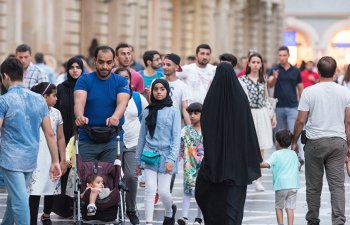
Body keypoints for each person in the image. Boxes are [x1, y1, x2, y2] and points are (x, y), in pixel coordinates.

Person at [195, 63, 262, 225]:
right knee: (233, 206)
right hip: (237, 166)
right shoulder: (240, 99)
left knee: (212, 200)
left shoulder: (211, 99)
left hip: (215, 164)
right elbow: (249, 130)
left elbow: (206, 128)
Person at [0, 57, 61, 225]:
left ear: (5, 76)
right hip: (30, 158)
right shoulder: (38, 100)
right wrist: (55, 161)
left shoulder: (4, 101)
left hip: (10, 159)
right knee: (16, 199)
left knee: (19, 202)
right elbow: (50, 133)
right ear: (23, 74)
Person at [292, 56, 350, 225]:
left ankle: (313, 220)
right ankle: (339, 221)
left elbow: (300, 121)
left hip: (315, 143)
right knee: (337, 186)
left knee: (313, 187)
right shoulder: (345, 92)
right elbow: (348, 121)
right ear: (335, 71)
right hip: (338, 142)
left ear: (318, 71)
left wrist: (294, 141)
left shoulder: (309, 92)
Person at [135, 79, 181, 225]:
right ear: (152, 92)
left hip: (167, 156)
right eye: (156, 89)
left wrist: (172, 160)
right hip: (149, 155)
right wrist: (138, 162)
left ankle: (169, 211)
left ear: (167, 91)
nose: (159, 92)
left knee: (164, 192)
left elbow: (176, 138)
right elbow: (142, 137)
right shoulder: (148, 111)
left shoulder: (174, 111)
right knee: (150, 189)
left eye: (162, 89)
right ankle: (148, 222)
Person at [74, 45, 130, 163]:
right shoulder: (84, 80)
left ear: (114, 62)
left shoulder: (121, 81)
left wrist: (115, 116)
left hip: (112, 139)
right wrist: (80, 115)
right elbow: (79, 101)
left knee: (110, 178)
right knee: (87, 178)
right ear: (94, 61)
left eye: (109, 62)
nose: (105, 66)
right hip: (87, 138)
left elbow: (122, 103)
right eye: (101, 62)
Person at [28, 82, 67, 225]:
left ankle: (46, 215)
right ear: (44, 97)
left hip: (52, 155)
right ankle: (32, 220)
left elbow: (61, 137)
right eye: (54, 95)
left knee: (51, 187)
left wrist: (62, 159)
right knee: (35, 189)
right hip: (36, 155)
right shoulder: (32, 111)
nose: (56, 98)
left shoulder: (56, 113)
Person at [239, 53, 277, 191]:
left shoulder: (263, 80)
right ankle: (244, 175)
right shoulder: (242, 79)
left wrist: (273, 115)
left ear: (261, 65)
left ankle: (258, 180)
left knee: (261, 147)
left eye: (258, 62)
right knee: (246, 146)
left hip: (261, 114)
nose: (256, 64)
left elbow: (266, 98)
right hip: (248, 114)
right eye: (253, 62)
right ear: (248, 63)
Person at [51, 56, 84, 218]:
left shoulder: (86, 87)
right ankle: (62, 207)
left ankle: (79, 205)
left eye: (78, 67)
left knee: (80, 171)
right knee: (64, 170)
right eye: (72, 67)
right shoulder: (61, 88)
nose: (75, 70)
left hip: (83, 134)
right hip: (63, 135)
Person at [116, 67, 148, 225]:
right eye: (120, 77)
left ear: (130, 80)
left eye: (126, 78)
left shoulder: (137, 98)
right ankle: (115, 207)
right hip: (114, 141)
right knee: (114, 177)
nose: (124, 80)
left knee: (131, 176)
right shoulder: (111, 97)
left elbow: (146, 117)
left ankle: (131, 209)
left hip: (133, 142)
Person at [268, 46, 304, 159]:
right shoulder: (274, 69)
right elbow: (269, 85)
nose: (282, 58)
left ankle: (298, 158)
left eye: (284, 55)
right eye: (280, 55)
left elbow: (300, 88)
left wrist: (302, 105)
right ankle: (280, 159)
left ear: (288, 55)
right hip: (279, 106)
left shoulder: (296, 70)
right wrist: (274, 77)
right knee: (279, 134)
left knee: (295, 133)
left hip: (293, 106)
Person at [260, 129, 300, 225]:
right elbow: (298, 165)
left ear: (277, 143)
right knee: (290, 208)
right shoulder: (293, 154)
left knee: (279, 207)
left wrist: (255, 164)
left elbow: (266, 164)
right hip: (293, 185)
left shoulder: (276, 154)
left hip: (281, 186)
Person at [177, 103, 204, 225]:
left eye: (196, 113)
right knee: (187, 190)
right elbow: (180, 147)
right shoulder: (185, 130)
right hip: (189, 166)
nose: (192, 116)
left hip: (205, 167)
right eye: (190, 113)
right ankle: (185, 217)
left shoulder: (208, 129)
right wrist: (175, 160)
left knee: (202, 192)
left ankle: (199, 218)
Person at [163, 53, 191, 125]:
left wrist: (190, 129)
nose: (164, 67)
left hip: (176, 126)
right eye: (164, 64)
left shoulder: (183, 86)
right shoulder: (156, 82)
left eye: (168, 65)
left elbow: (185, 109)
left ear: (176, 67)